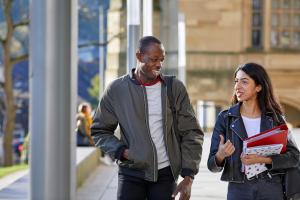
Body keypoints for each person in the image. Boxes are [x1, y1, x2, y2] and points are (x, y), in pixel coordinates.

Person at [91, 36, 204, 200]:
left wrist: (188, 176)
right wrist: (121, 152)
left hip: (166, 174)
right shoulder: (117, 90)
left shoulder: (174, 88)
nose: (159, 64)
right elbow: (99, 130)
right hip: (131, 173)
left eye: (162, 60)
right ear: (139, 56)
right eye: (154, 59)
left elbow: (192, 132)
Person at [207, 62, 300, 200]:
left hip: (271, 187)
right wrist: (220, 155)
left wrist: (263, 159)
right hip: (239, 190)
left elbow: (294, 157)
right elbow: (211, 165)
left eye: (244, 82)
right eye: (236, 81)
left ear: (258, 87)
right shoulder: (225, 118)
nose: (237, 87)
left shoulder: (275, 119)